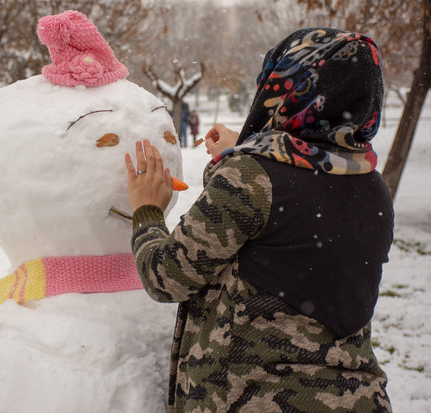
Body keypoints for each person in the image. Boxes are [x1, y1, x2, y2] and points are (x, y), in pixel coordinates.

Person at [124, 28, 393, 412]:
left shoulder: (251, 177)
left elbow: (166, 276)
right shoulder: (370, 183)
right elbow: (291, 203)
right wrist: (249, 150)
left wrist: (147, 210)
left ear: (285, 89)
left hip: (257, 399)